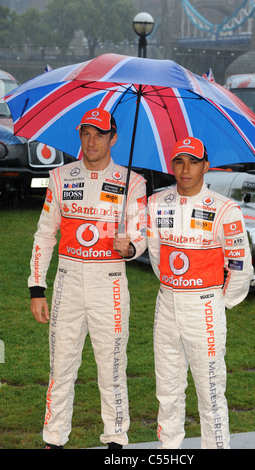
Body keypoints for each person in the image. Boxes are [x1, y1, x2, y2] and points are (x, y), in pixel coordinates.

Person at [29, 108, 147, 449]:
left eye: (99, 134)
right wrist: (38, 288)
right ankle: (53, 439)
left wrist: (130, 246)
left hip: (109, 281)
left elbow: (142, 235)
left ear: (113, 138)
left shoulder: (133, 182)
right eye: (85, 133)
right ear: (79, 136)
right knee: (61, 366)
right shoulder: (60, 177)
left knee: (112, 367)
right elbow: (44, 235)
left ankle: (116, 441)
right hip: (67, 278)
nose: (91, 141)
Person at [147, 137, 253, 449]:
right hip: (166, 303)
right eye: (179, 161)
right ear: (172, 165)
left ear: (206, 165)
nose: (186, 169)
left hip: (204, 308)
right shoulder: (156, 203)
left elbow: (239, 266)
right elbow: (155, 255)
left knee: (210, 390)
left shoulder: (225, 209)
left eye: (193, 161)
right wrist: (174, 285)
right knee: (167, 390)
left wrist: (219, 301)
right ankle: (169, 450)